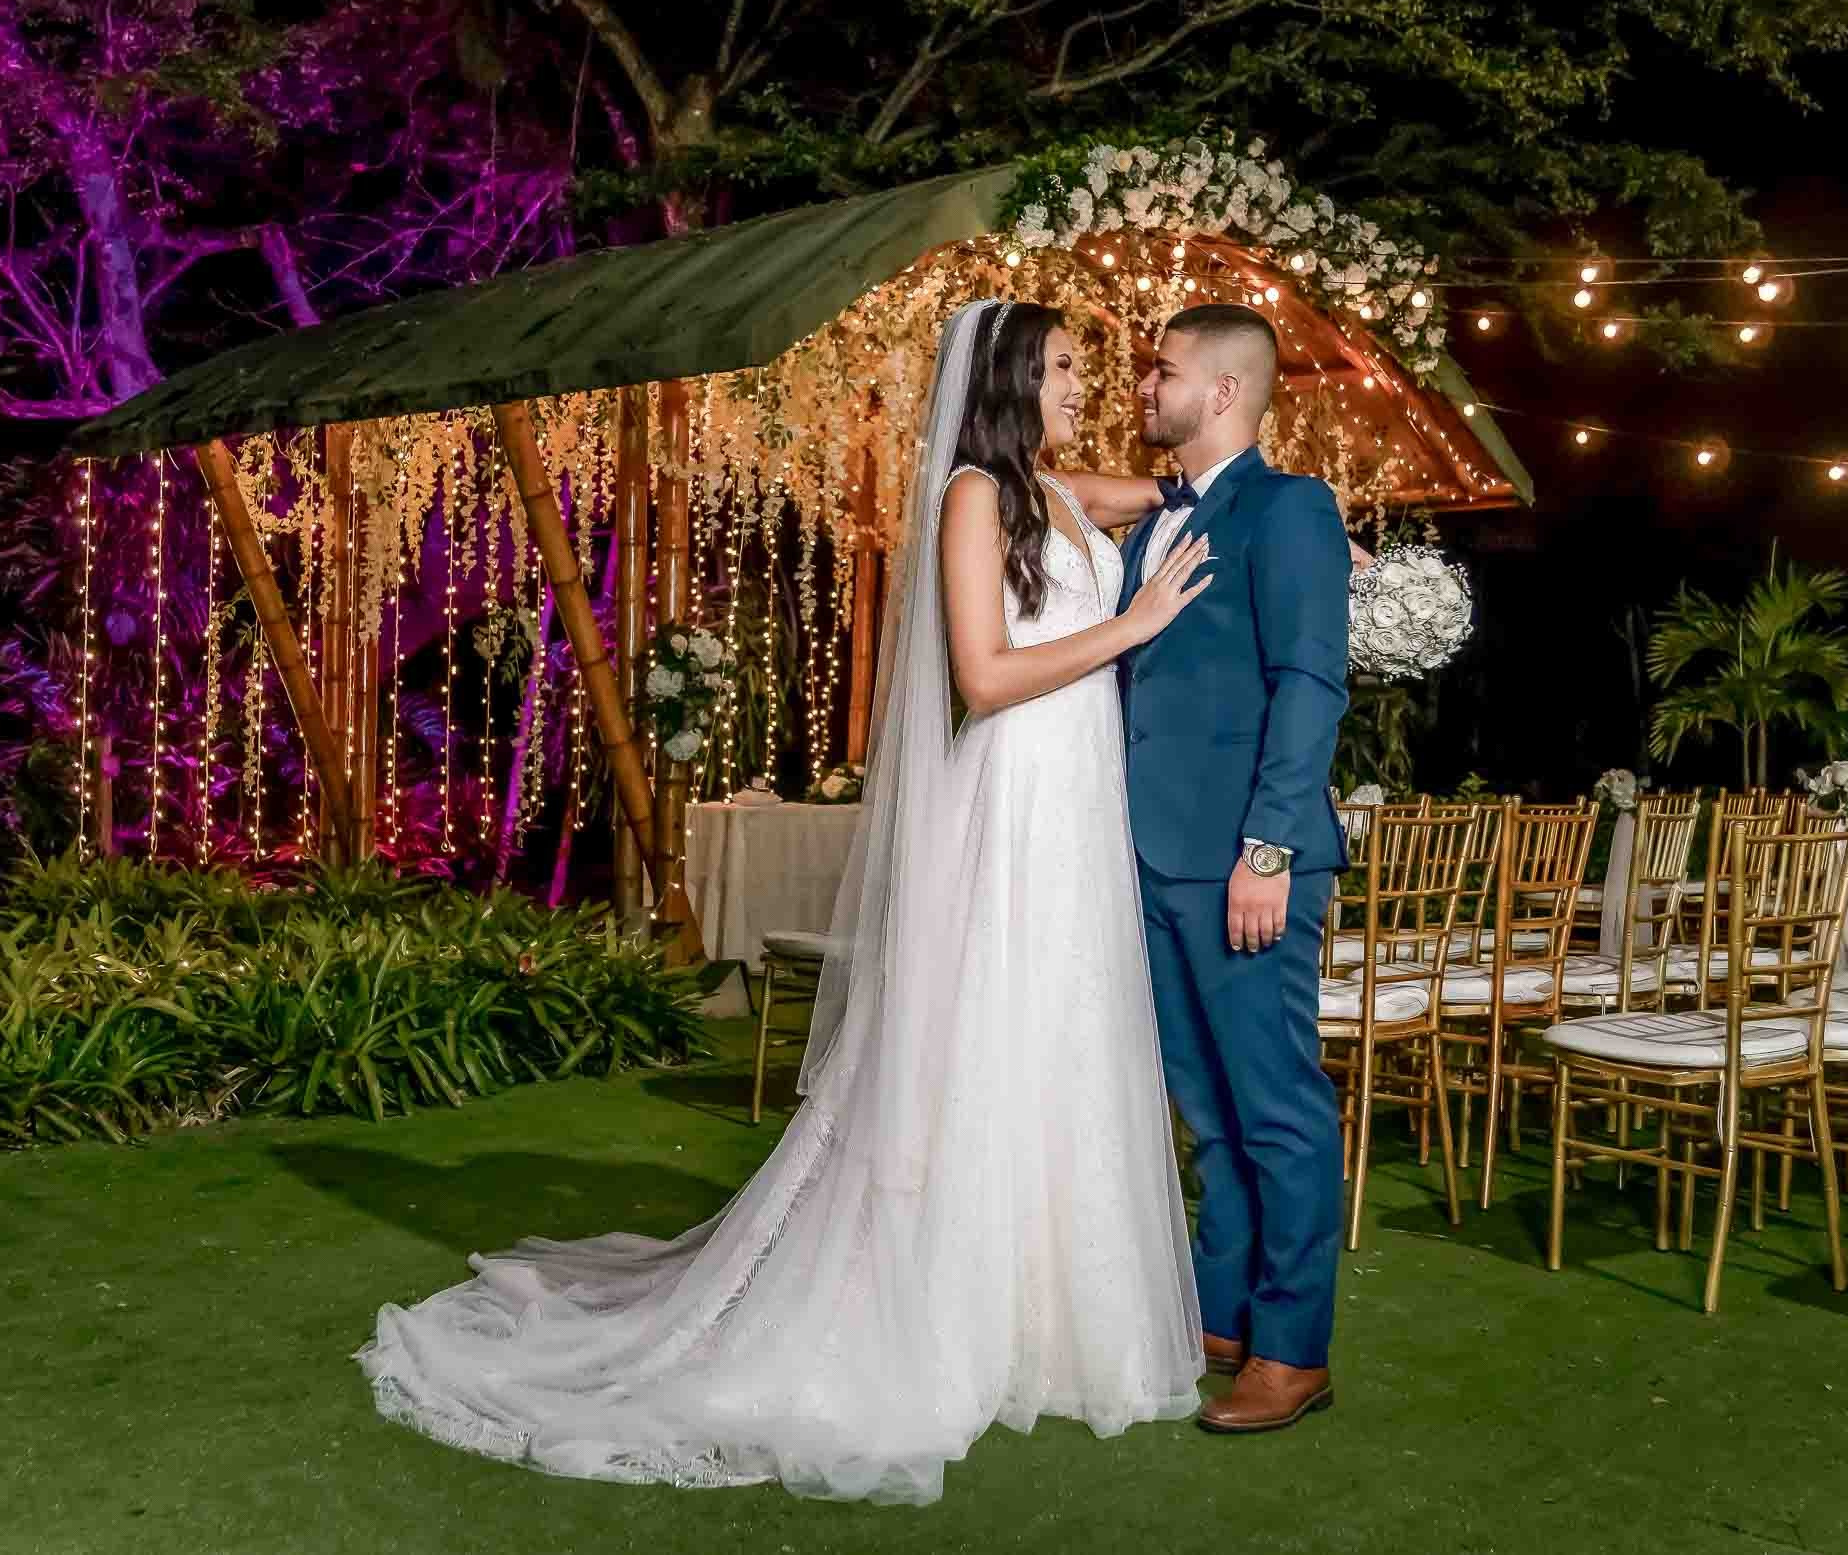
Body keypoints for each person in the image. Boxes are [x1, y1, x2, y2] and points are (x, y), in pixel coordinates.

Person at [356, 299, 1214, 1505]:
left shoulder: (1058, 491)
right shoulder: (975, 495)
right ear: (1013, 377)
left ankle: (1053, 1311)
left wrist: (1220, 482)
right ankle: (944, 1304)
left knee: (1057, 1027)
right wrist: (1133, 623)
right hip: (1013, 796)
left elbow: (1161, 490)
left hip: (1076, 802)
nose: (1086, 384)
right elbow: (981, 675)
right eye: (1065, 366)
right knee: (981, 1026)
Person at [1116, 304, 1352, 1434]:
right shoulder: (1156, 520)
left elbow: (1309, 683)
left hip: (1245, 863)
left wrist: (1269, 848)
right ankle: (1222, 1314)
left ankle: (1292, 1348)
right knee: (1207, 1109)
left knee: (1275, 1106)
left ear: (1220, 391)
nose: (1142, 385)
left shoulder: (1290, 507)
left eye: (1160, 370)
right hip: (1153, 855)